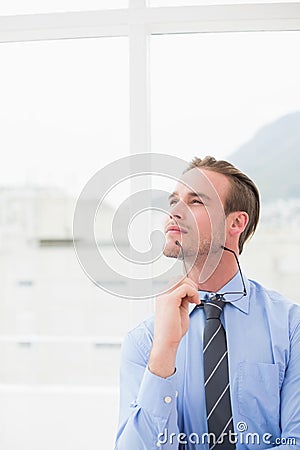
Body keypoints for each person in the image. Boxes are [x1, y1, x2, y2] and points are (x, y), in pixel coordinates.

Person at [114, 156, 300, 450]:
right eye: (173, 201)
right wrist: (164, 353)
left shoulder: (291, 327)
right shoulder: (145, 341)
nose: (174, 211)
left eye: (196, 201)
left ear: (236, 222)